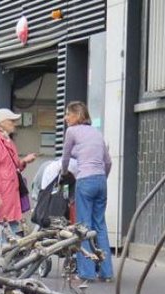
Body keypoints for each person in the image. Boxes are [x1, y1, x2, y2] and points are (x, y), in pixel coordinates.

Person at [59, 100, 113, 281]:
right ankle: (106, 272)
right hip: (101, 181)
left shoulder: (72, 131)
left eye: (68, 114)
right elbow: (108, 162)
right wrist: (102, 178)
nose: (65, 118)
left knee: (83, 227)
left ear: (77, 115)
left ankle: (87, 273)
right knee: (100, 226)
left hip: (85, 181)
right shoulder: (96, 133)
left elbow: (65, 155)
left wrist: (64, 172)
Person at [0, 108, 37, 257]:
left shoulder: (5, 140)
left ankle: (3, 262)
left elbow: (11, 166)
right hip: (0, 195)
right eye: (11, 121)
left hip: (8, 195)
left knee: (9, 229)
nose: (14, 124)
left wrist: (24, 161)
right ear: (1, 122)